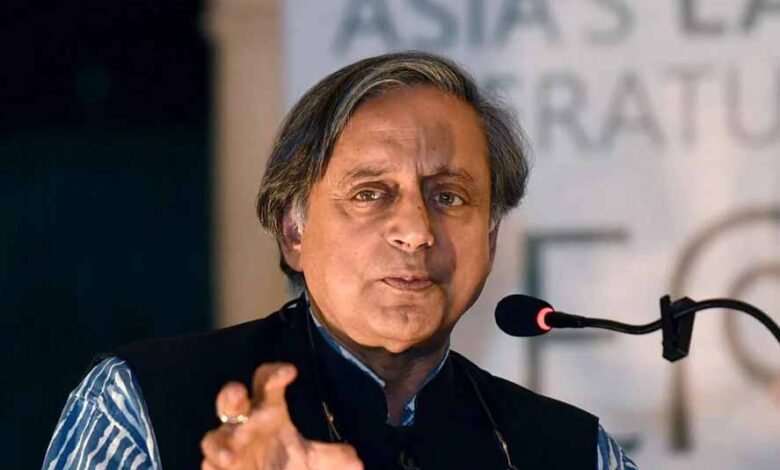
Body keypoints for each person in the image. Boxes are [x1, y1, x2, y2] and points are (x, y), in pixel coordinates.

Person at [43, 52, 638, 470]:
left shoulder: (574, 451)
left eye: (449, 196)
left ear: (491, 237)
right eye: (370, 194)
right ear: (293, 231)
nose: (415, 231)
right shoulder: (140, 402)